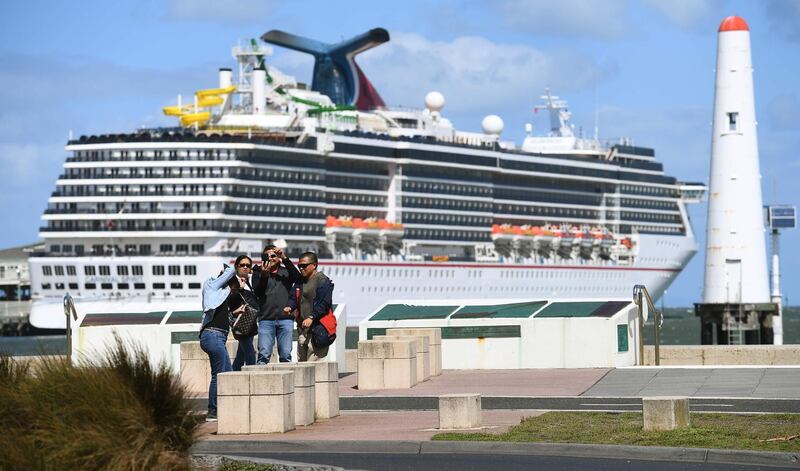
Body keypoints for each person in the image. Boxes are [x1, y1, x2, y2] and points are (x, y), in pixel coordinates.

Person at [199, 264, 244, 421]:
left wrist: (235, 313)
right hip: (212, 335)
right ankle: (212, 411)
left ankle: (222, 409)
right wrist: (230, 270)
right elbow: (231, 269)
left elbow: (225, 320)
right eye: (233, 287)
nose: (233, 291)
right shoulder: (211, 285)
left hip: (218, 336)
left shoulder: (220, 297)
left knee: (227, 373)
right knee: (218, 375)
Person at [252, 245, 301, 364]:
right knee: (263, 355)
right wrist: (264, 275)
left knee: (285, 355)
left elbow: (297, 278)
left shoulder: (285, 271)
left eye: (273, 256)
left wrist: (284, 258)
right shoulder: (258, 272)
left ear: (278, 257)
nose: (271, 258)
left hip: (286, 319)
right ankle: (261, 381)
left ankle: (286, 381)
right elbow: (258, 292)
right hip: (266, 319)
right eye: (267, 256)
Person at [284, 251, 334, 362]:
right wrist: (289, 307)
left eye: (304, 266)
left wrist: (311, 317)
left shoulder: (322, 280)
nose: (301, 268)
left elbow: (324, 303)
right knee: (301, 364)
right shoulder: (300, 281)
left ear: (314, 265)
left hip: (318, 328)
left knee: (314, 365)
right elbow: (293, 297)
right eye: (299, 266)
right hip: (303, 329)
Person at [231, 254, 258, 371]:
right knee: (250, 354)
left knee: (240, 356)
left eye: (248, 265)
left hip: (249, 322)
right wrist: (240, 289)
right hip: (239, 322)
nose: (245, 267)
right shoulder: (232, 281)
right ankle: (254, 377)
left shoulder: (249, 281)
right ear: (236, 266)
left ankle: (233, 376)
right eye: (242, 265)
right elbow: (229, 301)